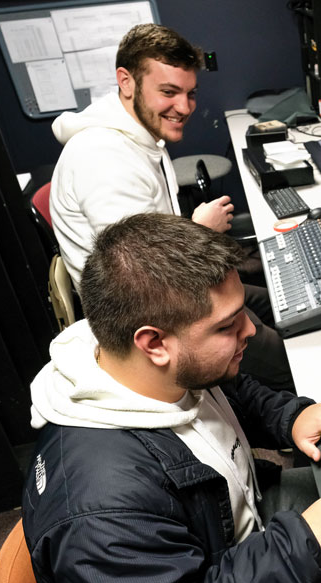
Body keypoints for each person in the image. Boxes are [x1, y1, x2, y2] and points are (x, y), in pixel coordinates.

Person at [23, 213, 321, 583]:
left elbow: (232, 393)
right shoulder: (100, 514)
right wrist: (302, 543)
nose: (249, 329)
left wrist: (292, 417)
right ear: (154, 344)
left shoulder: (148, 367)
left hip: (241, 531)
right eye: (227, 325)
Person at [49, 23, 293, 390]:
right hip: (152, 316)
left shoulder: (138, 135)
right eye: (169, 92)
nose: (184, 107)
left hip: (172, 288)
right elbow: (140, 280)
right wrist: (202, 231)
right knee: (280, 353)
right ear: (126, 81)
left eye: (190, 93)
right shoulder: (103, 160)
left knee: (273, 292)